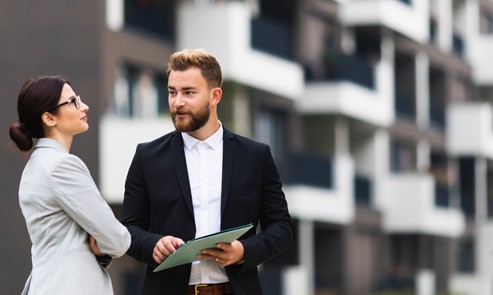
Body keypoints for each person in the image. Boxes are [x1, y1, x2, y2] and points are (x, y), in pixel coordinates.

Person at [121, 48, 295, 295]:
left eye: (188, 92)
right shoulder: (147, 157)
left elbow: (282, 228)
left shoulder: (256, 156)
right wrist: (153, 245)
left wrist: (243, 251)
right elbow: (128, 228)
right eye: (172, 92)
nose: (177, 102)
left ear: (215, 95)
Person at [9, 76, 131, 295]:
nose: (84, 106)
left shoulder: (35, 166)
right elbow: (118, 240)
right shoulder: (61, 166)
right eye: (73, 101)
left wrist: (101, 247)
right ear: (49, 118)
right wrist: (103, 244)